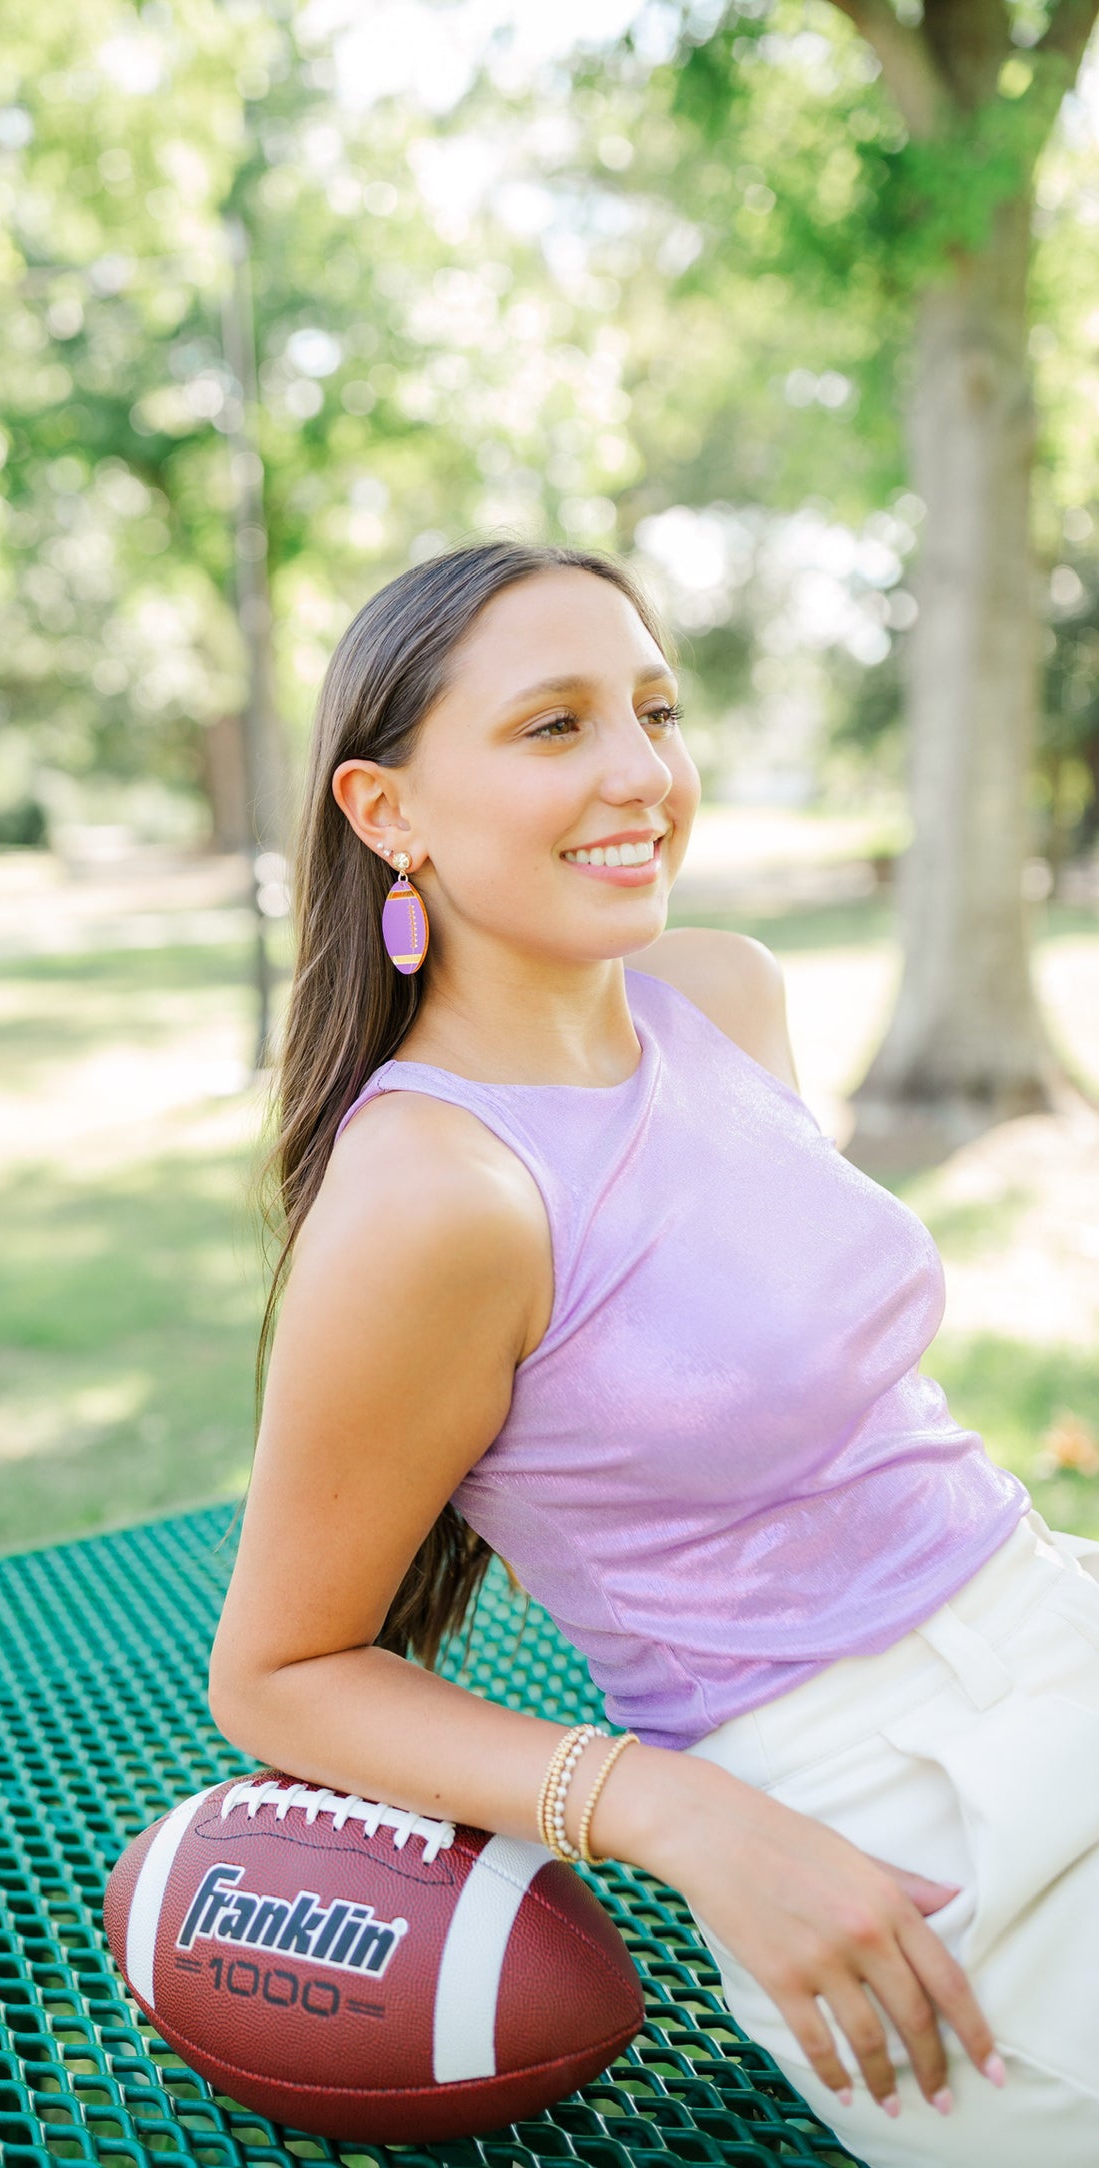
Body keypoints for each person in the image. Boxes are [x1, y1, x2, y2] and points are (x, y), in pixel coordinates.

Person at [207, 540, 1099, 2168]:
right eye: (552, 727)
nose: (640, 774)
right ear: (384, 810)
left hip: (1054, 1622)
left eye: (655, 709)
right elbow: (277, 1673)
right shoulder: (432, 1197)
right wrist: (686, 1819)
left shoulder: (719, 993)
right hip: (883, 1827)